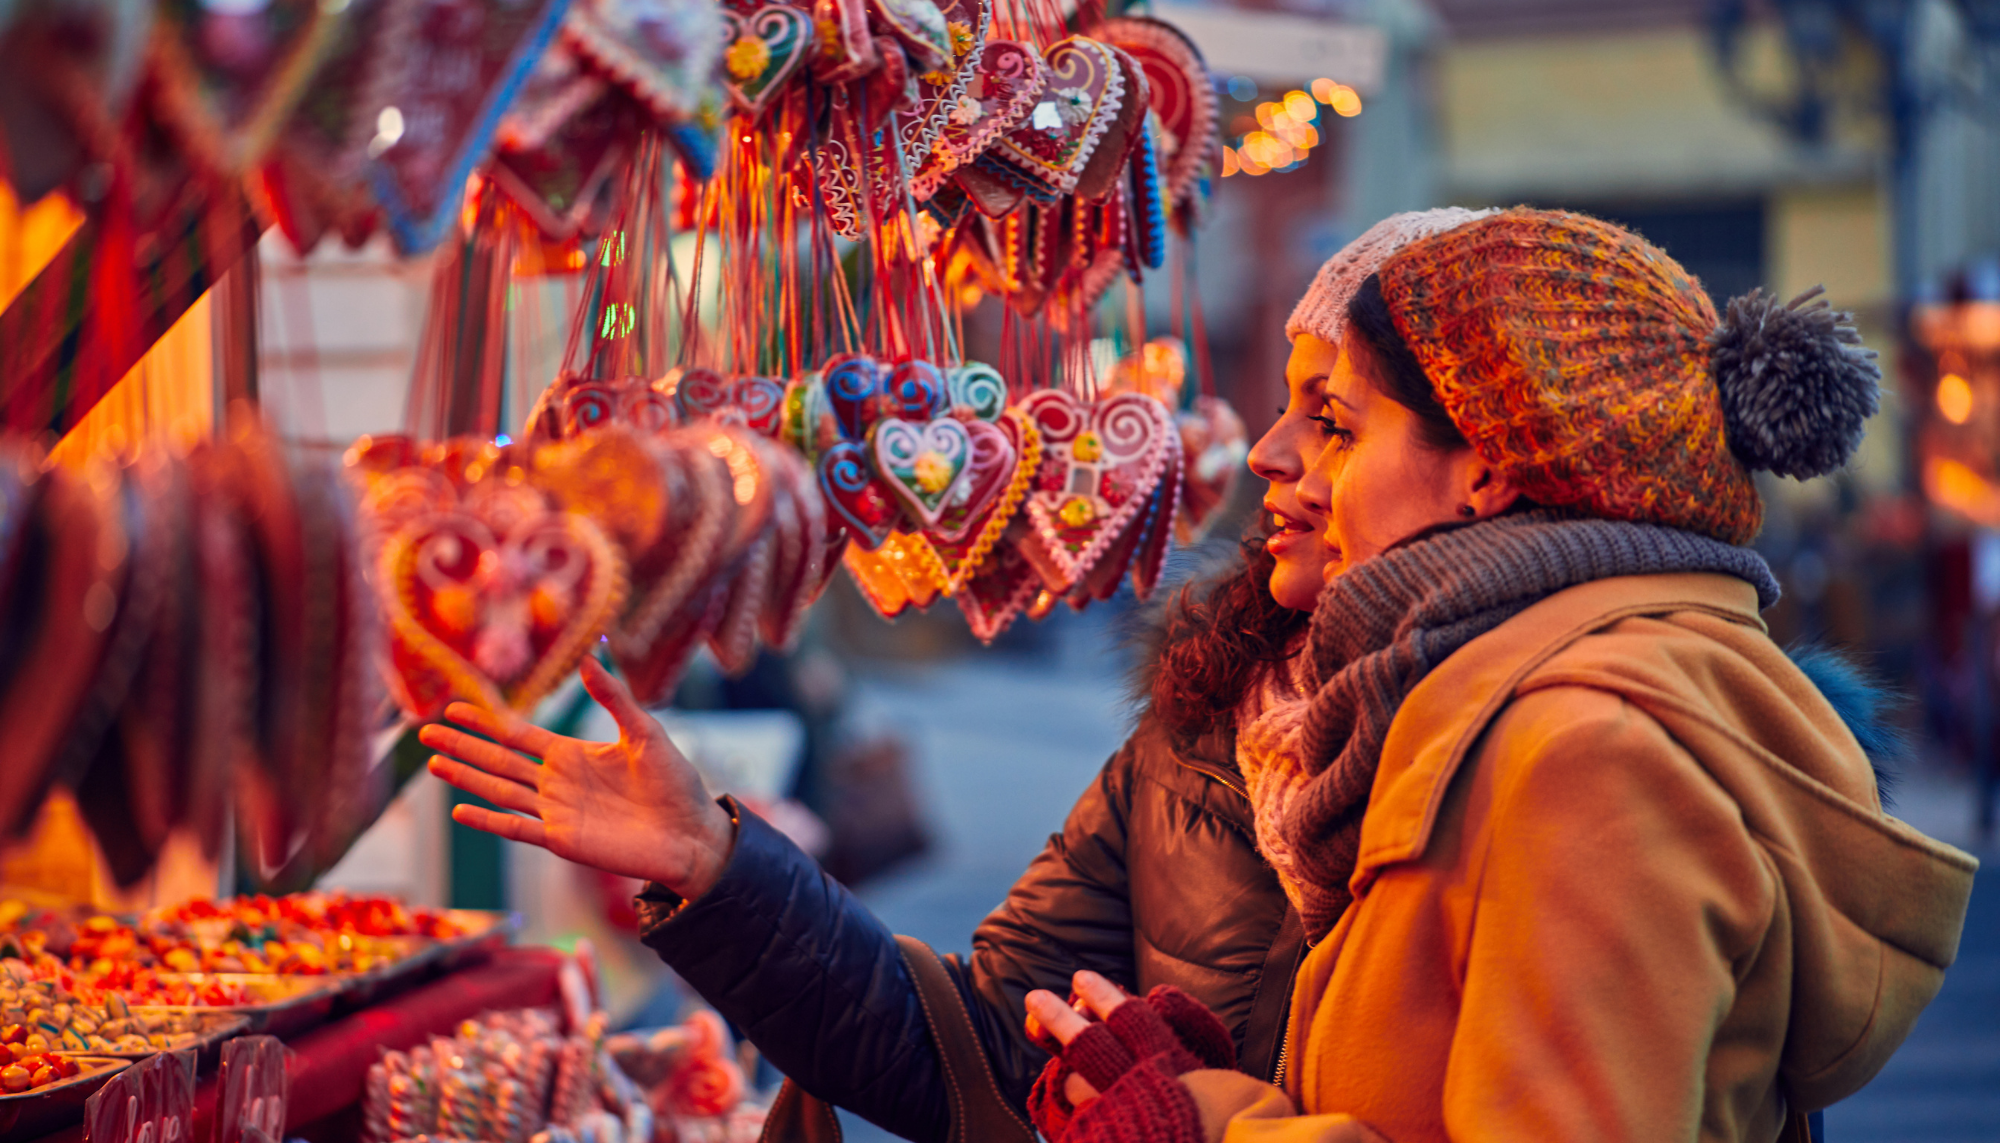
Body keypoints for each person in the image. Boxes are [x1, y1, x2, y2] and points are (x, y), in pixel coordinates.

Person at [418, 209, 1497, 1141]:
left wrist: (1182, 1121)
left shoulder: (1565, 746)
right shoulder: (1209, 728)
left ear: (1489, 468)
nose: (1269, 455)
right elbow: (974, 1047)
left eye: (1331, 422)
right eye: (1281, 407)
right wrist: (715, 864)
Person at [1019, 208, 1980, 1143]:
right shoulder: (1496, 708)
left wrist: (1202, 1124)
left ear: (1485, 470)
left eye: (1341, 429)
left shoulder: (1587, 758)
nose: (1293, 464)